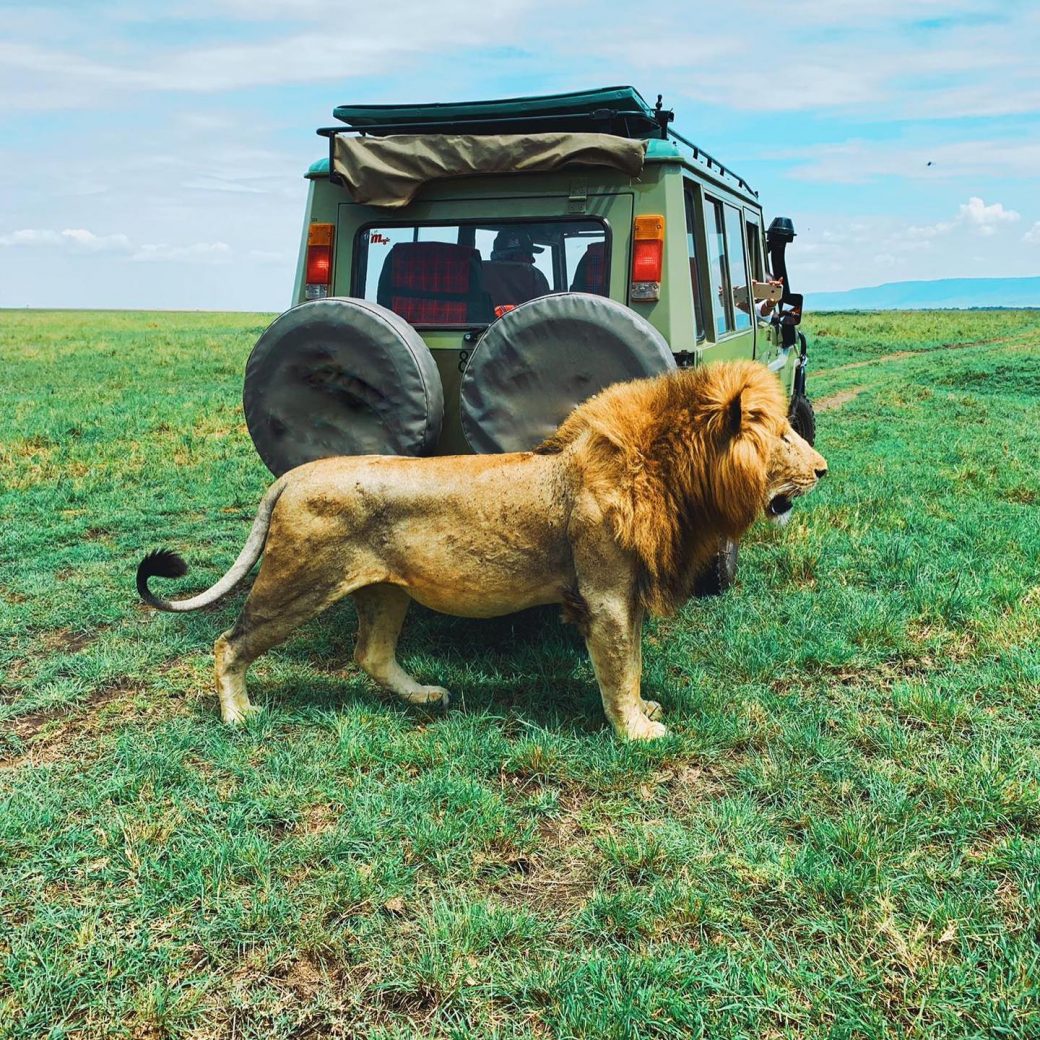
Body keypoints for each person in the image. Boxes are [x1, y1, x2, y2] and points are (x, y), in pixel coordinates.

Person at [482, 229, 551, 307]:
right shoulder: (533, 275)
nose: (533, 260)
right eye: (528, 254)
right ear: (515, 256)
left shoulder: (478, 276)